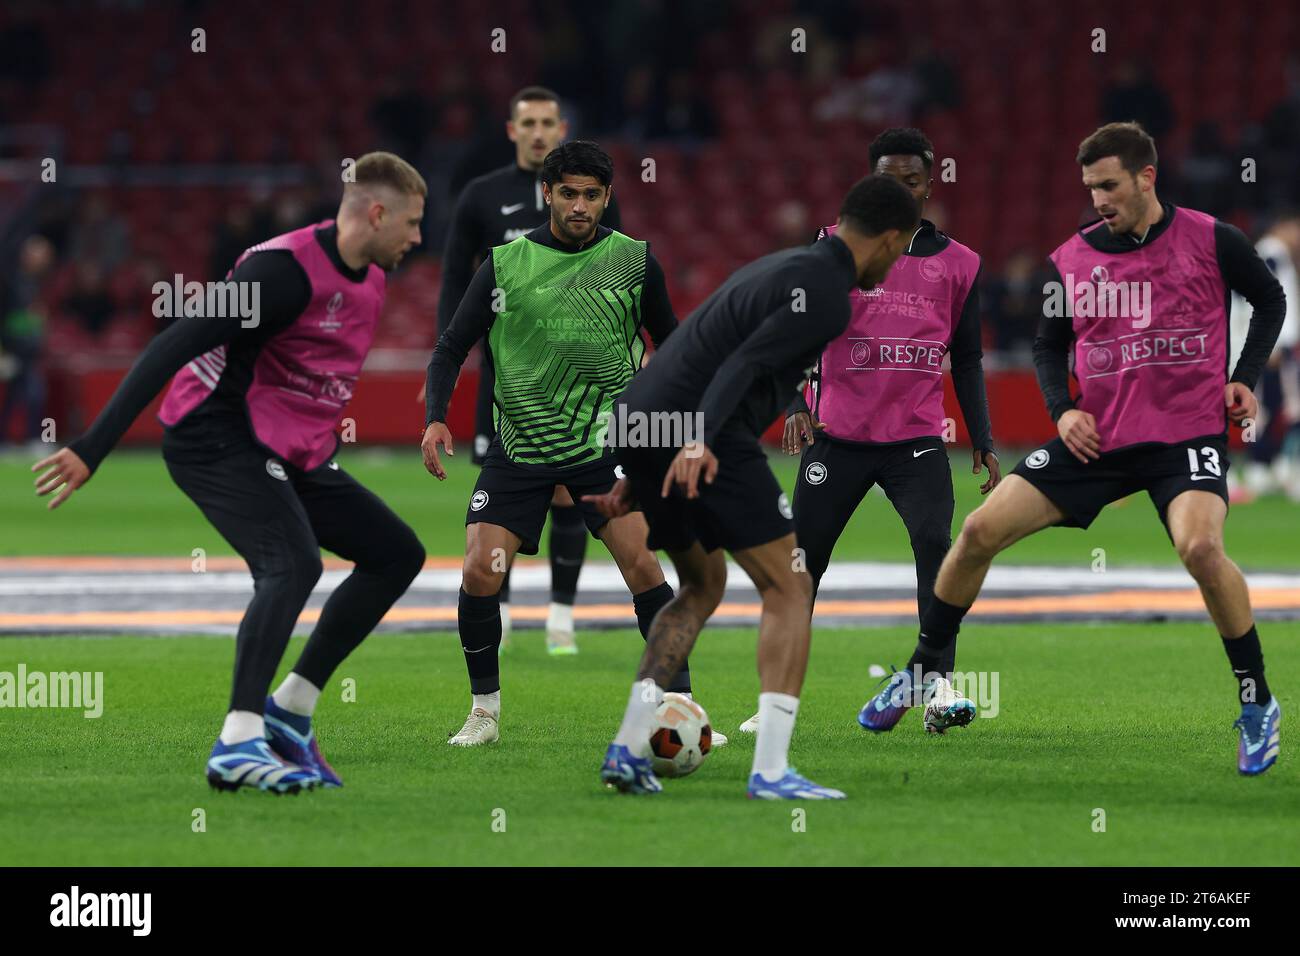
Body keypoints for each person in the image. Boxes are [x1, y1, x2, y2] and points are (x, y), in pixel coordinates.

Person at [861, 122, 1287, 776]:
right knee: (976, 531)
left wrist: (1244, 377)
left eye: (1110, 185)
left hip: (1183, 434)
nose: (1100, 199)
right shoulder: (1071, 258)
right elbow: (1047, 345)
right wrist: (1061, 414)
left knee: (1200, 547)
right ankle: (922, 670)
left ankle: (1257, 703)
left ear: (1147, 177)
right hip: (1100, 436)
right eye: (1091, 188)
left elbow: (1271, 298)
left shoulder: (1210, 238)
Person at [32, 152, 429, 793]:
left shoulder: (372, 274)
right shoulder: (280, 274)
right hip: (215, 436)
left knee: (395, 554)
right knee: (293, 563)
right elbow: (173, 343)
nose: (417, 238)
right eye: (411, 223)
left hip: (289, 446)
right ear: (376, 213)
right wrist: (92, 447)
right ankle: (238, 742)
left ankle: (290, 713)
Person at [587, 174, 920, 798]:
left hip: (644, 417)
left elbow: (693, 345)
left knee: (700, 586)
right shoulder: (826, 294)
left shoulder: (781, 266)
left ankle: (627, 749)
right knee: (790, 585)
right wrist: (699, 439)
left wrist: (644, 464)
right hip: (703, 430)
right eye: (901, 250)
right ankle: (770, 770)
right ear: (891, 238)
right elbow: (742, 365)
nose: (897, 262)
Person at [423, 141, 722, 749]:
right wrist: (435, 417)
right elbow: (452, 344)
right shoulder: (507, 263)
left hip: (605, 445)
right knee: (481, 569)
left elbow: (677, 348)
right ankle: (484, 713)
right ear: (548, 193)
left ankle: (679, 708)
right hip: (521, 444)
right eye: (569, 193)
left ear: (607, 197)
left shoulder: (633, 262)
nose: (580, 205)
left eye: (591, 195)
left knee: (643, 567)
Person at [739, 127, 999, 737]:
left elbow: (965, 357)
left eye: (912, 180)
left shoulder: (961, 264)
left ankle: (936, 686)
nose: (901, 191)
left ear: (929, 184)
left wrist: (983, 437)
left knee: (939, 549)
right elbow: (801, 327)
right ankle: (776, 702)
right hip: (838, 436)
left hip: (915, 441)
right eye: (889, 180)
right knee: (801, 565)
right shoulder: (833, 246)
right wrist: (800, 402)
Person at [438, 85, 623, 654]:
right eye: (529, 122)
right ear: (512, 130)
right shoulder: (480, 196)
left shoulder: (586, 193)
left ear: (560, 127)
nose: (539, 131)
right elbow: (453, 281)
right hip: (507, 375)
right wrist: (454, 349)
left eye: (549, 121)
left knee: (571, 491)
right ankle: (506, 609)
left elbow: (618, 268)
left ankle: (561, 616)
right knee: (509, 491)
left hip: (576, 376)